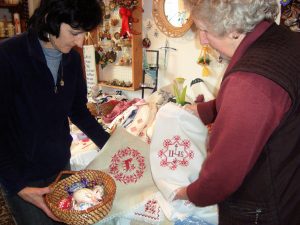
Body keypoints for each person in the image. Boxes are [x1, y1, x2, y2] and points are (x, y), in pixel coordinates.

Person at [175, 0, 300, 224]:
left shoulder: (249, 82)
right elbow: (268, 108)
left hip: (264, 209)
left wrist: (188, 193)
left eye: (204, 30)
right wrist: (205, 110)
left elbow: (222, 175)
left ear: (232, 28)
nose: (202, 39)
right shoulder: (286, 40)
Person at [0, 0, 110, 224]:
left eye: (84, 33)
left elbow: (78, 110)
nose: (80, 42)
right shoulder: (9, 56)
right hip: (23, 175)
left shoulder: (71, 59)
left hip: (60, 166)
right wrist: (18, 185)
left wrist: (110, 144)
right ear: (51, 18)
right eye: (74, 32)